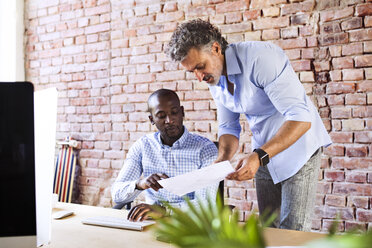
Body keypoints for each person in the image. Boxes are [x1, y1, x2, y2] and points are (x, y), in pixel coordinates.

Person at [166, 19, 332, 231]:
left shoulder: (261, 59)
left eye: (200, 67)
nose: (199, 77)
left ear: (216, 48)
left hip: (298, 147)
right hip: (263, 151)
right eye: (192, 72)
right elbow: (229, 126)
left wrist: (259, 156)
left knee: (293, 231)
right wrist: (222, 160)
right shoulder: (214, 77)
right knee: (268, 228)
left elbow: (300, 118)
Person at [111, 88, 218, 221]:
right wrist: (140, 184)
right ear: (152, 119)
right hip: (150, 223)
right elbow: (117, 194)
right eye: (161, 116)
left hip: (190, 224)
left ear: (182, 112)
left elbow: (206, 205)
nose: (169, 120)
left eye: (174, 113)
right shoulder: (143, 146)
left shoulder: (205, 149)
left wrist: (165, 211)